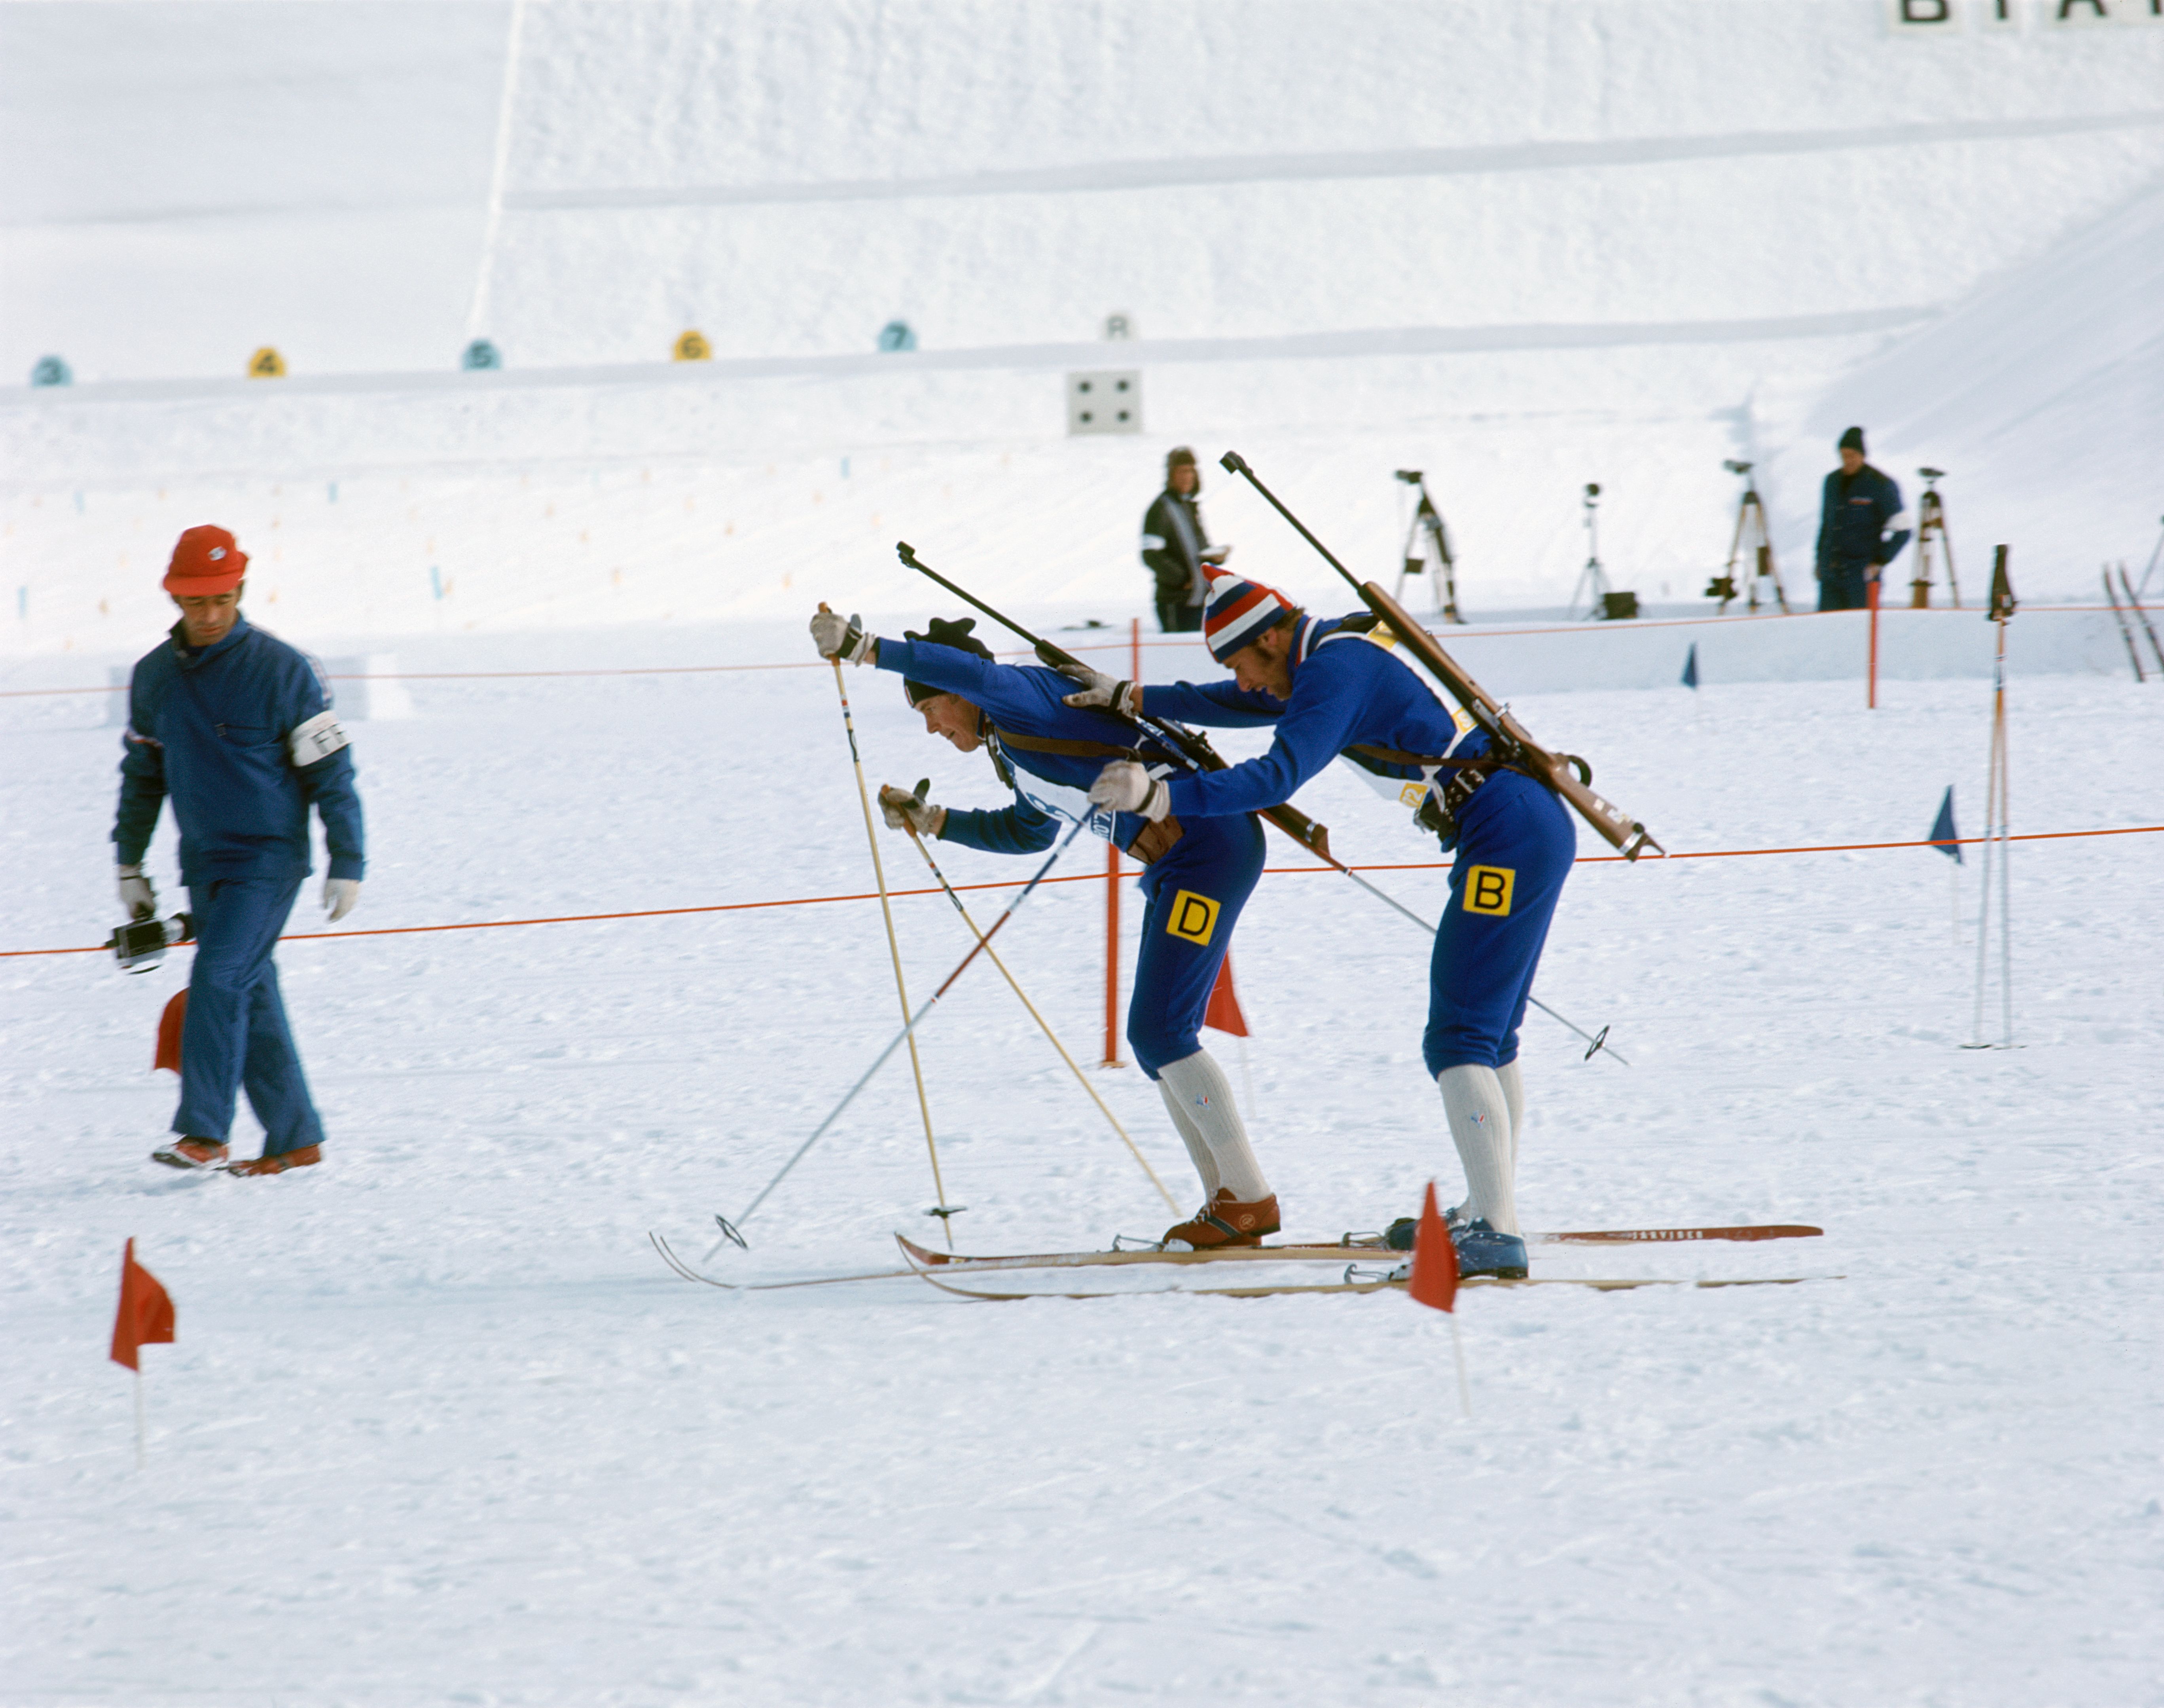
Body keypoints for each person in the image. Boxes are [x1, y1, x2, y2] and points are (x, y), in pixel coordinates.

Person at [1064, 572, 1573, 1278]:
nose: (1246, 683)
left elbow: (1278, 774)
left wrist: (1161, 793)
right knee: (1490, 1034)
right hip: (1520, 823)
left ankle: (1493, 1230)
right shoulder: (1328, 656)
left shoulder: (1334, 668)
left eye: (1243, 664)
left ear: (1271, 638)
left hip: (1507, 831)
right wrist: (1137, 697)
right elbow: (1240, 703)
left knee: (1461, 1035)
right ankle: (1490, 1209)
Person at [809, 604, 1279, 1248]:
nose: (932, 731)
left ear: (959, 694)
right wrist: (935, 819)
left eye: (930, 712)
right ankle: (1228, 1203)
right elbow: (1028, 831)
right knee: (1154, 1040)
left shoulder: (1023, 695)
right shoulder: (1010, 747)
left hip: (1210, 846)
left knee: (1159, 1029)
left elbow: (973, 670)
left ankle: (1248, 1199)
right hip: (1181, 861)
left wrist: (866, 648)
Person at [113, 525, 365, 1175]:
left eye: (221, 600)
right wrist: (130, 862)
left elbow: (332, 773)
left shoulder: (285, 671)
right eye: (196, 603)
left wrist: (347, 859)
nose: (210, 615)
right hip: (203, 864)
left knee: (220, 979)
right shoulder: (154, 678)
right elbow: (142, 777)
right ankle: (295, 1136)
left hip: (269, 862)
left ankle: (204, 1132)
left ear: (241, 591)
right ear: (175, 600)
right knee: (251, 995)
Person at [1815, 427, 1912, 612]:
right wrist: (1819, 560)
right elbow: (1826, 525)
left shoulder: (1881, 485)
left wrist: (1880, 561)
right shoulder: (1831, 482)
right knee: (1827, 631)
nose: (1847, 461)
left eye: (1852, 455)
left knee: (1859, 632)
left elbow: (1904, 531)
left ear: (1862, 455)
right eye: (1843, 455)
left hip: (1861, 575)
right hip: (1831, 573)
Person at [1141, 447, 1230, 633]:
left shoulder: (1189, 507)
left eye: (1190, 471)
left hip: (1198, 601)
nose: (1187, 477)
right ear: (1171, 475)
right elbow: (1151, 554)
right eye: (1181, 472)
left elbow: (1199, 549)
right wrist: (1181, 578)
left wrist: (1214, 558)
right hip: (1176, 603)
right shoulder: (1160, 509)